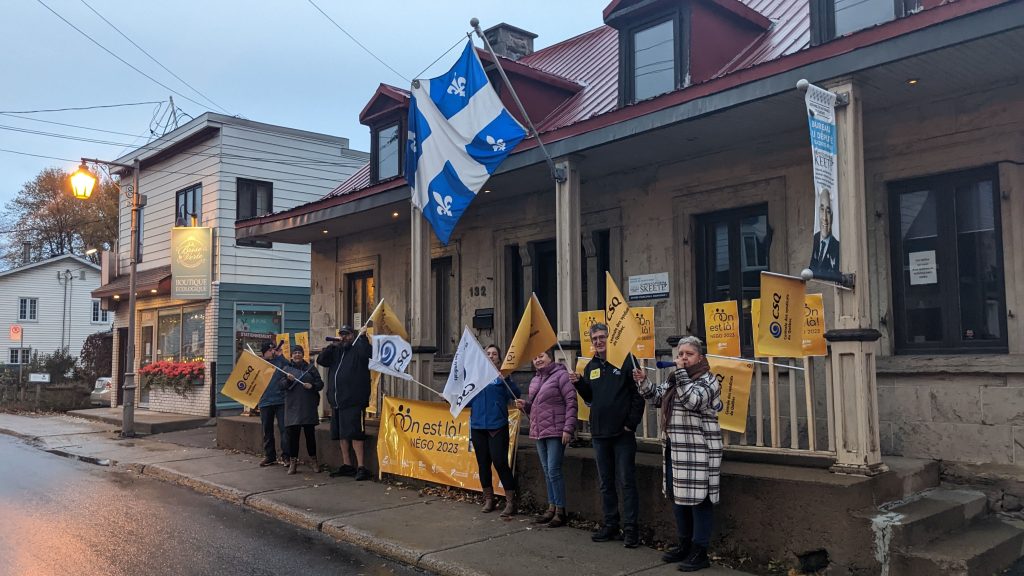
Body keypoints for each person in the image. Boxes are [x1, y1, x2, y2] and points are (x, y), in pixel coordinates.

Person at [633, 336, 722, 572]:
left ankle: (700, 551)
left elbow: (693, 400)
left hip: (699, 450)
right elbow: (656, 397)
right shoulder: (675, 379)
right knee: (677, 497)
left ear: (700, 357)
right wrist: (644, 382)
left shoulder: (710, 381)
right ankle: (684, 544)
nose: (682, 358)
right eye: (680, 354)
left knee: (700, 500)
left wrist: (680, 374)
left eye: (688, 354)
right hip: (675, 447)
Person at [569, 323, 645, 548]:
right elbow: (591, 398)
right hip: (600, 434)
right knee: (605, 483)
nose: (599, 341)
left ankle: (631, 530)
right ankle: (611, 524)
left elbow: (638, 393)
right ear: (591, 342)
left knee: (626, 482)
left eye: (602, 337)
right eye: (595, 339)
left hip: (622, 434)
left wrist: (631, 424)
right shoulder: (591, 365)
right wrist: (580, 384)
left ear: (610, 339)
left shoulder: (626, 360)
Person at [515, 348, 577, 527]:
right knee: (547, 470)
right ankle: (551, 507)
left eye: (541, 355)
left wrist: (568, 428)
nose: (538, 360)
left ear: (550, 358)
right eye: (535, 357)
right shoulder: (535, 380)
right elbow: (536, 407)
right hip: (539, 430)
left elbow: (571, 402)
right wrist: (525, 406)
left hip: (556, 431)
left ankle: (560, 510)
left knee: (554, 470)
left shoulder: (561, 375)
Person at [467, 344, 521, 517]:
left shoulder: (501, 376)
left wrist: (508, 380)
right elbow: (466, 400)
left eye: (494, 354)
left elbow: (515, 394)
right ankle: (489, 499)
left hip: (497, 426)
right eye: (487, 353)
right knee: (483, 464)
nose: (490, 356)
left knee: (500, 462)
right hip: (477, 426)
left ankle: (511, 501)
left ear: (499, 358)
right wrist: (450, 398)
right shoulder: (475, 376)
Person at [316, 324, 373, 481]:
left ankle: (361, 466)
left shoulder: (358, 349)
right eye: (342, 334)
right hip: (337, 402)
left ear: (352, 336)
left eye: (347, 334)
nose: (344, 337)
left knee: (355, 434)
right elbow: (321, 360)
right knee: (342, 435)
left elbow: (368, 354)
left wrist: (362, 337)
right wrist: (331, 346)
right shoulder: (337, 351)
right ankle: (347, 464)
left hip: (354, 401)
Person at [281, 345, 324, 475]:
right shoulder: (286, 369)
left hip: (308, 407)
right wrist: (288, 381)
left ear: (303, 354)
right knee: (293, 437)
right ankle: (293, 462)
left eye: (299, 352)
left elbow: (320, 384)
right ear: (291, 356)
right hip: (293, 407)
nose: (297, 355)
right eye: (295, 353)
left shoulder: (310, 368)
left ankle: (314, 461)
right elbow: (281, 385)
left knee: (310, 436)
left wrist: (312, 386)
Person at [257, 341, 291, 467]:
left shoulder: (280, 361)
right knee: (267, 430)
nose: (272, 352)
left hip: (280, 400)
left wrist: (281, 356)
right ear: (264, 352)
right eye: (269, 350)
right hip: (265, 401)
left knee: (284, 429)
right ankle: (270, 456)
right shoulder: (260, 363)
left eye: (273, 350)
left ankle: (286, 456)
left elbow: (290, 367)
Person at [809, 188, 840, 278]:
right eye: (822, 210)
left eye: (828, 211)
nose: (825, 218)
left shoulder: (837, 245)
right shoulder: (814, 239)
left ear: (833, 215)